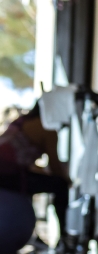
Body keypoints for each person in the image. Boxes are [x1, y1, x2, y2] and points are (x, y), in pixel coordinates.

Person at [0, 104, 69, 243]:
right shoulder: (47, 129)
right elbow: (55, 167)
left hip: (7, 174)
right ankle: (65, 238)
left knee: (35, 183)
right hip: (9, 178)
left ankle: (34, 236)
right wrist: (68, 180)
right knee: (60, 185)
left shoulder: (21, 121)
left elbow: (21, 161)